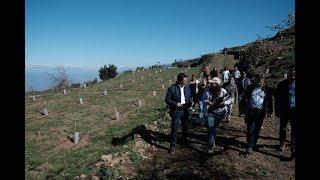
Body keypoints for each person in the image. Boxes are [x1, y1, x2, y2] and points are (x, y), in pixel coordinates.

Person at [242, 74, 273, 154]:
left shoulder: (266, 89)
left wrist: (270, 110)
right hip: (251, 111)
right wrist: (242, 109)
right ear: (255, 81)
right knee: (250, 129)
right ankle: (249, 146)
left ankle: (254, 143)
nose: (259, 83)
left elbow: (270, 100)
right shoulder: (250, 88)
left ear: (263, 82)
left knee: (257, 129)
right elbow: (244, 97)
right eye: (258, 82)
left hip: (260, 112)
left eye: (261, 82)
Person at [165, 73, 192, 154]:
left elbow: (189, 96)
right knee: (174, 128)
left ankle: (183, 141)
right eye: (184, 80)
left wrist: (189, 102)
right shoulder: (172, 88)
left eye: (186, 80)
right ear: (179, 80)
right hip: (176, 110)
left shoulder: (187, 87)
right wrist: (175, 103)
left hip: (185, 109)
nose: (186, 81)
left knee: (185, 126)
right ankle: (172, 146)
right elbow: (167, 99)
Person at [205, 77, 231, 153]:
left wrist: (224, 103)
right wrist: (207, 102)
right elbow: (203, 99)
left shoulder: (223, 91)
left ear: (217, 84)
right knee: (210, 128)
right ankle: (210, 146)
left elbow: (229, 99)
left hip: (220, 112)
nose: (211, 84)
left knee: (214, 128)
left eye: (212, 83)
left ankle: (213, 141)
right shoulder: (207, 90)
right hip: (210, 112)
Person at [275, 69, 295, 159]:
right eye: (291, 75)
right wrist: (277, 109)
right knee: (283, 127)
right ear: (288, 75)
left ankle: (293, 147)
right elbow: (277, 98)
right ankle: (282, 143)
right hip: (284, 110)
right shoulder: (282, 84)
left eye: (294, 75)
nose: (293, 77)